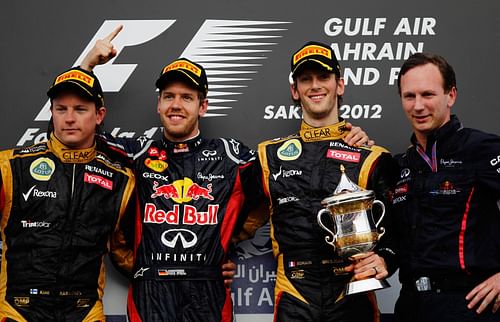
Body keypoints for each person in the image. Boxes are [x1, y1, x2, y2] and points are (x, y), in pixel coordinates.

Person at [257, 41, 397, 322]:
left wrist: (387, 259)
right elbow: (230, 217)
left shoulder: (371, 156)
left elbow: (401, 225)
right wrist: (214, 262)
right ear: (295, 91)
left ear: (340, 85)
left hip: (352, 290)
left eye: (323, 77)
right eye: (305, 79)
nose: (315, 85)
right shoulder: (267, 156)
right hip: (294, 292)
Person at [0, 66, 135, 321]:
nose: (69, 118)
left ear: (99, 115)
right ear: (52, 113)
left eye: (80, 110)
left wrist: (199, 266)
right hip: (18, 310)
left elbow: (129, 254)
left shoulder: (121, 181)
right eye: (61, 109)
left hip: (83, 311)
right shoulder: (10, 167)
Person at [388, 52, 500, 321]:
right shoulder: (397, 166)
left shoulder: (481, 149)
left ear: (451, 95)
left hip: (470, 305)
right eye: (409, 96)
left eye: (428, 94)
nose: (418, 106)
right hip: (410, 306)